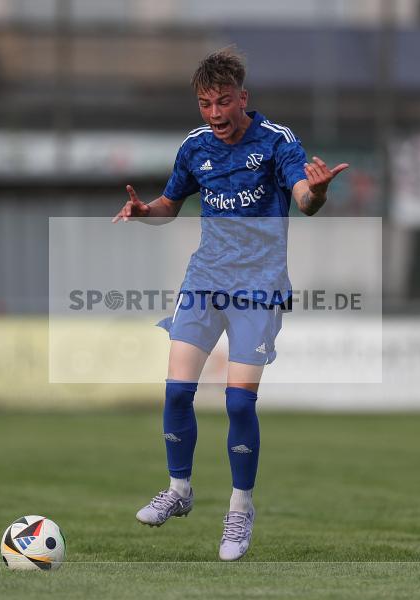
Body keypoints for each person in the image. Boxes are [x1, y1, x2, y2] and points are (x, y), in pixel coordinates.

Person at [112, 48, 348, 561]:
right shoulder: (195, 148)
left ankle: (240, 509)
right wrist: (142, 210)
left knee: (238, 402)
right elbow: (169, 207)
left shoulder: (277, 142)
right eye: (204, 104)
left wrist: (320, 194)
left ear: (243, 98)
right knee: (176, 394)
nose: (215, 114)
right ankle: (179, 490)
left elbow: (304, 197)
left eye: (223, 102)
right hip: (204, 281)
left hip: (258, 287)